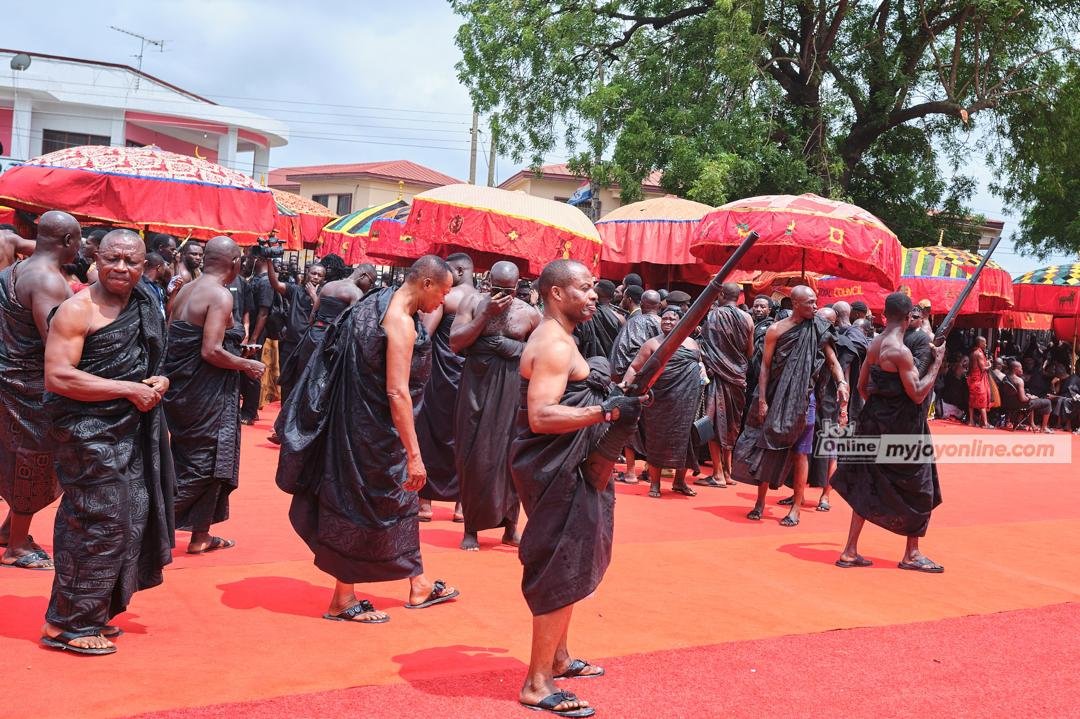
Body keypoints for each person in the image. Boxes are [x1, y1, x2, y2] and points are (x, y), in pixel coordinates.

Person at [276, 255, 459, 624]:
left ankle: (418, 583)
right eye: (443, 292)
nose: (444, 301)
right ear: (425, 284)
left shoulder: (376, 301)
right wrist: (414, 453)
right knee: (363, 508)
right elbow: (396, 393)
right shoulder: (400, 324)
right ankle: (342, 599)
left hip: (361, 425)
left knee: (399, 505)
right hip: (374, 435)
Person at [510, 258, 642, 717]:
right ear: (555, 294)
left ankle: (559, 659)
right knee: (559, 567)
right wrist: (608, 412)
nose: (593, 295)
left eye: (593, 288)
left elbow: (581, 397)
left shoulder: (565, 338)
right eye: (584, 288)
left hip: (574, 467)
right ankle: (536, 682)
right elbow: (542, 416)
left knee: (572, 559)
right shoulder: (552, 343)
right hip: (556, 472)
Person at [41, 229, 174, 655]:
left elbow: (155, 362)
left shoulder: (145, 303)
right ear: (95, 258)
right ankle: (65, 624)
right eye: (113, 259)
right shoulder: (77, 309)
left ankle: (93, 610)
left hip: (129, 430)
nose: (121, 268)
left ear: (143, 266)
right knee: (100, 523)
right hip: (86, 433)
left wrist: (159, 380)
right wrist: (127, 389)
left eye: (131, 262)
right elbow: (58, 376)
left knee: (130, 517)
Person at [164, 236, 266, 555]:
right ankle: (152, 528)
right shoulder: (220, 295)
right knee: (204, 464)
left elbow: (183, 336)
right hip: (203, 393)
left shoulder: (186, 289)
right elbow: (210, 351)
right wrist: (246, 363)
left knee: (202, 459)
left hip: (186, 388)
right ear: (235, 264)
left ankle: (200, 536)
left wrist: (236, 350)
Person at [833, 292, 946, 573]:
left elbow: (862, 387)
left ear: (884, 315)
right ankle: (912, 553)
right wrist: (937, 362)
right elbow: (918, 394)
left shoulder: (875, 344)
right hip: (904, 429)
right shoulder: (900, 351)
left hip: (874, 423)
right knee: (920, 487)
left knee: (867, 484)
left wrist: (881, 409)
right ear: (909, 318)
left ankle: (850, 550)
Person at [0, 211, 80, 570]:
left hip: (12, 377)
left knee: (16, 457)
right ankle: (16, 546)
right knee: (34, 461)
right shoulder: (47, 280)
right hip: (29, 386)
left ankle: (8, 530)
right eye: (77, 240)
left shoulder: (14, 269)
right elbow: (55, 341)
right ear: (67, 242)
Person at [732, 285, 847, 527]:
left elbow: (832, 360)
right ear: (795, 303)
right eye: (810, 303)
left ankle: (797, 506)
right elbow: (764, 367)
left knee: (800, 453)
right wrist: (762, 399)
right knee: (768, 446)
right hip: (775, 397)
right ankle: (760, 502)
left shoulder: (818, 327)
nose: (816, 307)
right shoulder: (776, 330)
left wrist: (841, 382)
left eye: (816, 302)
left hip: (805, 400)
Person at [450, 260, 540, 551]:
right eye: (497, 289)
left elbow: (545, 350)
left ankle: (510, 526)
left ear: (518, 288)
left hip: (512, 388)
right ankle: (471, 528)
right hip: (476, 384)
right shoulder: (473, 302)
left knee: (510, 456)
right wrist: (484, 316)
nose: (502, 295)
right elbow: (455, 342)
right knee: (474, 454)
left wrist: (514, 347)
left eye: (508, 291)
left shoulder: (528, 313)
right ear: (487, 282)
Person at [273, 264, 375, 443]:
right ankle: (306, 432)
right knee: (319, 388)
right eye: (371, 282)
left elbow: (312, 317)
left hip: (311, 338)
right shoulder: (356, 294)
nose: (371, 286)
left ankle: (286, 429)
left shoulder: (328, 286)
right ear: (364, 275)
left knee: (300, 382)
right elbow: (352, 327)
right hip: (329, 344)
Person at [416, 253, 475, 523]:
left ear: (461, 271)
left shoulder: (447, 298)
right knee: (466, 438)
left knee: (429, 434)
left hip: (439, 377)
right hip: (472, 380)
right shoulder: (484, 301)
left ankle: (425, 503)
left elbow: (424, 335)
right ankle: (462, 506)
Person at [623, 307, 703, 498]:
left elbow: (699, 364)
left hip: (688, 399)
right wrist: (625, 387)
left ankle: (679, 482)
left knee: (686, 439)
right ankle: (655, 484)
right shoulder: (652, 343)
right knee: (657, 438)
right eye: (664, 319)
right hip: (660, 399)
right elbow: (635, 366)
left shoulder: (692, 343)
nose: (667, 322)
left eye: (672, 319)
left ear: (681, 322)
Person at [698, 283, 753, 488]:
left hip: (719, 376)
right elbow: (750, 350)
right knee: (731, 424)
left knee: (714, 423)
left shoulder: (714, 315)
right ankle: (728, 473)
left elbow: (706, 346)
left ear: (721, 294)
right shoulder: (747, 318)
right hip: (738, 376)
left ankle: (718, 474)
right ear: (738, 297)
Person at [608, 287, 661, 484]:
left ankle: (630, 471)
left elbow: (622, 353)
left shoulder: (634, 322)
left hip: (635, 381)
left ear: (642, 303)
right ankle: (650, 469)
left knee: (630, 423)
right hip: (659, 382)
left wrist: (620, 380)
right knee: (653, 425)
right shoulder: (665, 324)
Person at [269, 262, 326, 402]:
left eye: (320, 275)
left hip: (309, 346)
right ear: (307, 273)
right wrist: (269, 261)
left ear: (323, 279)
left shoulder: (324, 294)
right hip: (290, 344)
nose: (316, 277)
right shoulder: (295, 290)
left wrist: (313, 295)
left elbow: (324, 313)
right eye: (313, 273)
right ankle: (284, 418)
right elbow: (275, 284)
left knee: (303, 383)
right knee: (287, 381)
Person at [572, 279, 624, 359]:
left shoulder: (584, 315)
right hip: (610, 364)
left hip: (589, 363)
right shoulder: (620, 317)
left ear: (595, 294)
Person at [1006, 360, 1054, 432]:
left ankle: (1031, 424)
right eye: (1021, 368)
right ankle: (1044, 427)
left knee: (1031, 399)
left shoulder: (1006, 377)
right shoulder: (1019, 380)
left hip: (1009, 403)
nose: (1022, 370)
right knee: (1048, 402)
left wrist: (1027, 395)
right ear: (1015, 369)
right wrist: (1031, 397)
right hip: (1020, 404)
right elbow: (1022, 399)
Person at [745, 295, 775, 403]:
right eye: (756, 306)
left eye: (762, 307)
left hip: (761, 375)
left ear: (769, 310)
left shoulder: (772, 327)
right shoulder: (750, 323)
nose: (758, 309)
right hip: (748, 373)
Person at [166, 240, 203, 304]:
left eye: (200, 255)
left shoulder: (193, 270)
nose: (198, 257)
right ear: (183, 254)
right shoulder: (183, 273)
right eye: (194, 254)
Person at [967, 336, 991, 427]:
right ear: (980, 343)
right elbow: (983, 368)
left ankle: (971, 421)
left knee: (972, 401)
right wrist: (989, 365)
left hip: (972, 379)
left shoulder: (972, 353)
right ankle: (985, 423)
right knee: (982, 401)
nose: (985, 344)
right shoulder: (979, 354)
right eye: (984, 343)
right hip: (978, 380)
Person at [141, 252, 168, 317]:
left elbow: (165, 310)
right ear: (158, 268)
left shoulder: (159, 287)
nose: (165, 271)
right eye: (164, 268)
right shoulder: (140, 286)